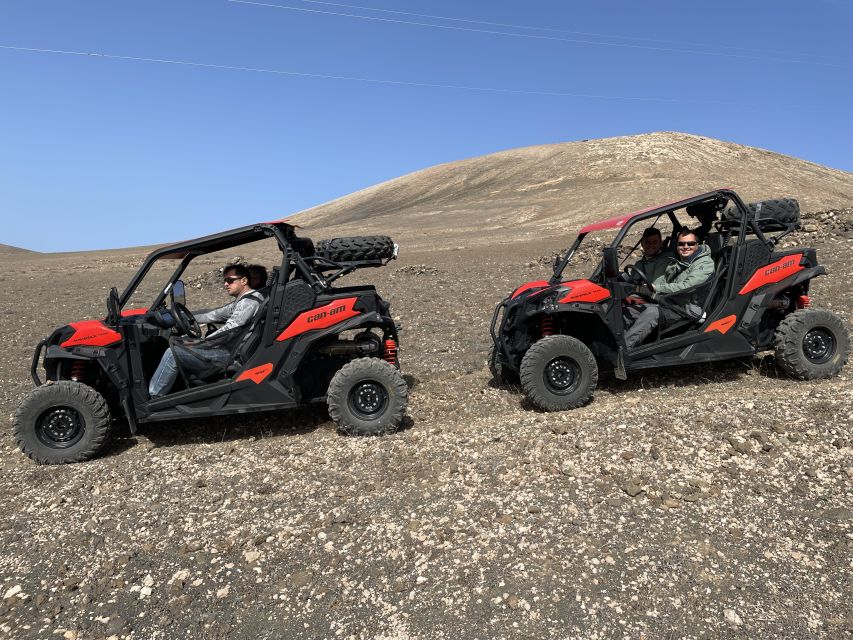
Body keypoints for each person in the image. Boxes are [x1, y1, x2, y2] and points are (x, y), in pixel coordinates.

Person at [148, 264, 263, 398]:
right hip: (231, 349)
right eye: (224, 281)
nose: (226, 284)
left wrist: (202, 343)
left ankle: (154, 398)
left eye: (230, 280)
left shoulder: (248, 303)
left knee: (172, 353)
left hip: (229, 356)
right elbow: (213, 315)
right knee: (183, 343)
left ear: (244, 281)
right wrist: (184, 317)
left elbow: (229, 330)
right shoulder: (247, 299)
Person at [623, 229, 714, 349]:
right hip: (670, 304)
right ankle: (615, 345)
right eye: (681, 244)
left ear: (697, 245)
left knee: (652, 312)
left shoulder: (704, 263)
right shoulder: (680, 260)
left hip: (688, 309)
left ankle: (624, 351)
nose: (685, 247)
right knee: (628, 312)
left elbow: (688, 287)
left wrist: (656, 288)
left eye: (690, 244)